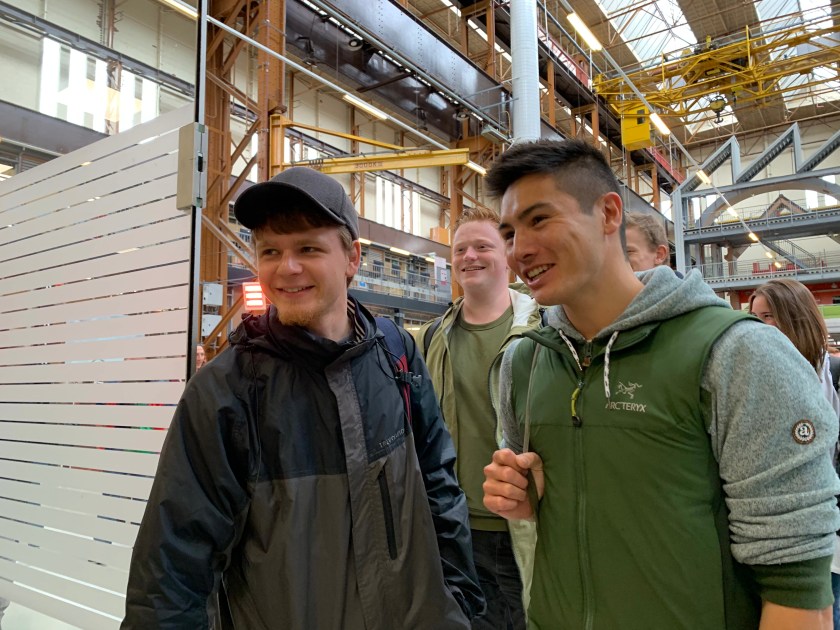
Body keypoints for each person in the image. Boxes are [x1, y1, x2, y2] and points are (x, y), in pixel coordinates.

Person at [481, 138, 840, 629]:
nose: (519, 249)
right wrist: (525, 498)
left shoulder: (736, 353)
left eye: (539, 219)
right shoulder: (525, 362)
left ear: (609, 214)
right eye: (508, 232)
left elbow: (797, 590)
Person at [122, 167, 483, 629]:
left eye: (308, 249)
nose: (286, 268)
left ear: (351, 258)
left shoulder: (395, 355)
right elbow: (171, 570)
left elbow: (438, 484)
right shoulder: (226, 393)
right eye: (270, 251)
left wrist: (458, 604)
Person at [417, 207, 542, 630]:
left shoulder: (544, 330)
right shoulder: (432, 338)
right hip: (457, 528)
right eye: (460, 249)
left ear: (508, 255)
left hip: (526, 527)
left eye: (482, 246)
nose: (469, 256)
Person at [749, 278, 840, 629]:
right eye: (754, 317)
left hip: (824, 525)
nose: (759, 326)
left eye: (768, 316)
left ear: (795, 317)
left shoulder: (828, 372)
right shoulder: (753, 375)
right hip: (771, 533)